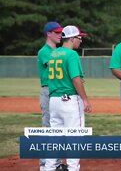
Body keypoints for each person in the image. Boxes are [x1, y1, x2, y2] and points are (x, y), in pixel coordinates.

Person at [45, 25, 92, 171]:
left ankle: (49, 168)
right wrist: (85, 100)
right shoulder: (71, 55)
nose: (80, 41)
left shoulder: (53, 54)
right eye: (79, 38)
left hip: (54, 101)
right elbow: (76, 79)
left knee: (55, 139)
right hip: (69, 101)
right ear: (72, 39)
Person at [37, 21, 64, 171]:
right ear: (48, 34)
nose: (60, 35)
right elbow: (55, 65)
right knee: (48, 127)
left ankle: (56, 163)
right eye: (57, 32)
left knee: (58, 128)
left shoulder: (58, 51)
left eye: (61, 32)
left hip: (58, 91)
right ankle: (44, 165)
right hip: (48, 91)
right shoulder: (44, 52)